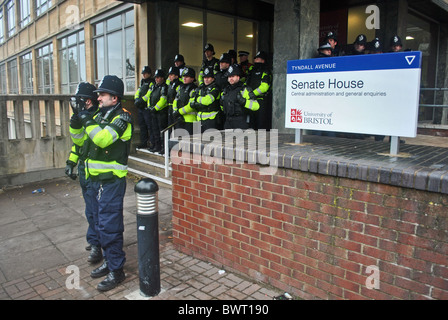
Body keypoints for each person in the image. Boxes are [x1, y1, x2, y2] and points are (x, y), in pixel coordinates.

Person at [71, 75, 133, 292]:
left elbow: (103, 139)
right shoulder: (99, 114)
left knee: (109, 226)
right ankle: (109, 260)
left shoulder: (122, 118)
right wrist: (76, 120)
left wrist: (87, 120)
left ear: (114, 98)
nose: (98, 98)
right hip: (96, 181)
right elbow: (80, 141)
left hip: (112, 182)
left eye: (102, 95)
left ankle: (117, 270)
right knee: (99, 223)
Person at [66, 82, 101, 264]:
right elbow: (79, 144)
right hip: (84, 170)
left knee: (97, 210)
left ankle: (97, 243)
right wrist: (71, 161)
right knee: (90, 210)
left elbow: (96, 141)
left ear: (88, 101)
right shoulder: (81, 116)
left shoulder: (98, 117)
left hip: (95, 171)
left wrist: (86, 120)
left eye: (81, 100)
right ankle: (94, 238)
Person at [220, 64, 259, 130]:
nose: (231, 78)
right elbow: (222, 107)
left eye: (233, 76)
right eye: (229, 77)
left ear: (238, 77)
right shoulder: (225, 90)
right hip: (228, 122)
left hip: (240, 121)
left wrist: (244, 102)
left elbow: (256, 106)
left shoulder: (244, 89)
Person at [245, 51, 272, 130]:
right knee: (251, 124)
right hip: (251, 101)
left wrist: (252, 93)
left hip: (262, 101)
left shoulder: (266, 71)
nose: (256, 60)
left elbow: (264, 87)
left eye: (258, 58)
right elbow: (246, 84)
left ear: (263, 60)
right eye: (255, 58)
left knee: (261, 125)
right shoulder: (251, 70)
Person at [190, 66, 222, 132]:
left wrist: (197, 98)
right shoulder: (200, 88)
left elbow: (207, 101)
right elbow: (191, 101)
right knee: (197, 140)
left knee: (210, 141)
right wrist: (198, 102)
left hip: (211, 121)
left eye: (208, 77)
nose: (206, 79)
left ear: (213, 79)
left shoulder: (215, 89)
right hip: (198, 119)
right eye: (204, 77)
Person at [146, 69, 168, 154]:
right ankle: (156, 146)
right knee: (154, 130)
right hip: (153, 112)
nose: (156, 79)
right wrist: (149, 107)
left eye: (158, 77)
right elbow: (149, 97)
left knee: (161, 130)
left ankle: (163, 147)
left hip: (161, 112)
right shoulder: (153, 87)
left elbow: (163, 100)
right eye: (156, 77)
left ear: (162, 78)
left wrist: (155, 108)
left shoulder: (164, 87)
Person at [173, 67, 198, 135]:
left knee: (191, 142)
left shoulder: (194, 89)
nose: (184, 78)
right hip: (180, 119)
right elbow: (175, 100)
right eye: (184, 76)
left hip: (191, 121)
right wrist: (175, 111)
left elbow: (191, 106)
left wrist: (179, 112)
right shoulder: (181, 88)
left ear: (192, 78)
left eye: (187, 77)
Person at [134, 66, 154, 149]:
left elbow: (149, 93)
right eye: (143, 73)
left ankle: (152, 143)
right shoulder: (142, 82)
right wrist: (136, 99)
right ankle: (144, 142)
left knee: (149, 126)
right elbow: (138, 91)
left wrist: (141, 100)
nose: (144, 75)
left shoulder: (152, 82)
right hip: (141, 108)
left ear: (149, 74)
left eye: (145, 73)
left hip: (146, 107)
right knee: (142, 126)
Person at [166, 66, 181, 131]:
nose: (169, 77)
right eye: (169, 75)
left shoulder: (179, 85)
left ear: (176, 76)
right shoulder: (170, 84)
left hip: (176, 108)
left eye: (171, 75)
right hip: (170, 107)